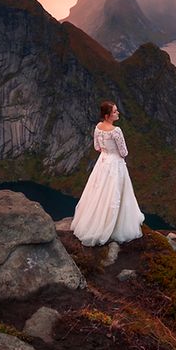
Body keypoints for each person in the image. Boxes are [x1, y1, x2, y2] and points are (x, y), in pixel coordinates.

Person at [71, 100, 144, 246]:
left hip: (102, 162)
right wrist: (114, 153)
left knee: (98, 192)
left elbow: (97, 147)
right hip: (115, 164)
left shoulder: (98, 127)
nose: (118, 113)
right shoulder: (116, 131)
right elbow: (124, 152)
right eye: (115, 111)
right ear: (107, 115)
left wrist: (107, 152)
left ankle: (94, 222)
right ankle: (114, 226)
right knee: (114, 194)